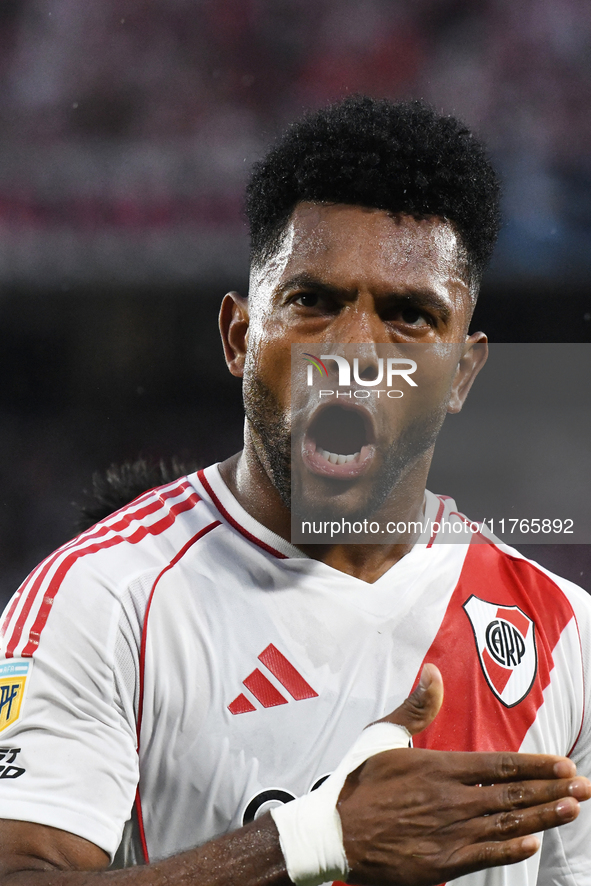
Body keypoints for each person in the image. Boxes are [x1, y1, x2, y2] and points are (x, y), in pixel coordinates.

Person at [0, 96, 590, 886]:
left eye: (409, 316)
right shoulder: (105, 599)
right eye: (313, 303)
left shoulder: (563, 637)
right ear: (240, 338)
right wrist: (311, 841)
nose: (353, 353)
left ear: (464, 373)